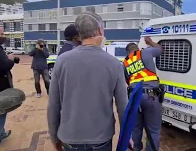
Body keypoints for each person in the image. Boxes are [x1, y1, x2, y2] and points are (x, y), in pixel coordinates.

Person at [47, 12, 132, 151]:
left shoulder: (61, 61)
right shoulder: (114, 64)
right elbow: (123, 106)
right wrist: (126, 137)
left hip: (69, 138)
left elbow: (53, 105)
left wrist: (54, 137)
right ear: (99, 30)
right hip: (101, 139)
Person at [123, 37, 164, 151]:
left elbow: (128, 81)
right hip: (151, 96)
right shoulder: (145, 52)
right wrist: (150, 42)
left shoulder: (125, 62)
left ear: (128, 52)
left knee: (136, 128)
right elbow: (160, 49)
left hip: (134, 97)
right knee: (153, 131)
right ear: (137, 48)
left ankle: (136, 148)